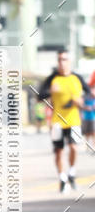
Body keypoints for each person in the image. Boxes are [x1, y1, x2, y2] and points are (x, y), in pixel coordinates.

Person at [37, 49, 90, 192]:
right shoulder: (52, 78)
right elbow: (39, 96)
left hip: (74, 120)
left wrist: (81, 100)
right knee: (58, 151)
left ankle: (72, 173)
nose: (62, 62)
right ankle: (62, 178)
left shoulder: (77, 77)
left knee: (73, 147)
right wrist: (50, 92)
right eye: (60, 59)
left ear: (69, 61)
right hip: (57, 122)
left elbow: (89, 93)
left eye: (65, 59)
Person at [82, 82, 95, 152]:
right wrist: (86, 107)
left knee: (93, 133)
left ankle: (93, 146)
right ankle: (87, 146)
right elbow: (81, 105)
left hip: (93, 118)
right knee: (87, 133)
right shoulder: (85, 96)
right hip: (86, 117)